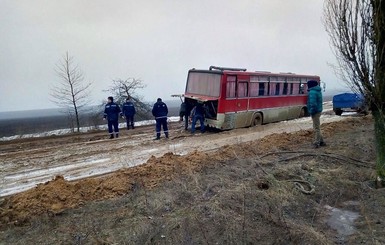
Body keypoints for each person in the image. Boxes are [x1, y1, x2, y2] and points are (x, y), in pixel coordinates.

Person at [307, 80, 326, 148]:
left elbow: (313, 104)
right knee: (316, 126)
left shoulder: (312, 92)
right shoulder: (318, 91)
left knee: (316, 128)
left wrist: (311, 111)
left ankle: (317, 142)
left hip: (315, 111)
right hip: (318, 110)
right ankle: (321, 141)